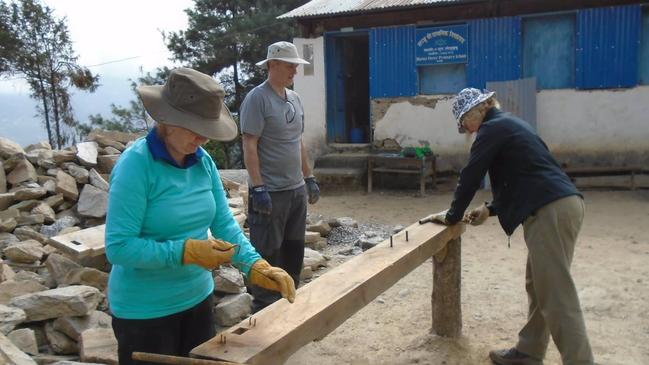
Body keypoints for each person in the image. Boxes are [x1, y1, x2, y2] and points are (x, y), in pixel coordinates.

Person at [105, 67, 296, 365]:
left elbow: (223, 224)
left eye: (206, 131)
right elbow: (119, 247)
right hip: (145, 314)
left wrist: (255, 265)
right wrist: (187, 251)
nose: (203, 139)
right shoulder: (135, 167)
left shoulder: (201, 161)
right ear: (167, 121)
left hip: (197, 301)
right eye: (194, 129)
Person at [433, 88, 594, 365]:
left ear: (476, 112)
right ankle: (529, 351)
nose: (466, 131)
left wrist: (452, 215)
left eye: (463, 124)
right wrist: (490, 209)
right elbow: (524, 176)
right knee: (538, 285)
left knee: (556, 294)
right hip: (558, 204)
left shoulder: (492, 129)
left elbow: (471, 175)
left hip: (549, 209)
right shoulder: (509, 124)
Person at [240, 41, 320, 312]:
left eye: (296, 66)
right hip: (270, 192)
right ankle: (263, 308)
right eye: (289, 65)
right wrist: (258, 187)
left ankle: (288, 303)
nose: (294, 71)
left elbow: (297, 141)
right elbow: (250, 144)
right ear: (272, 65)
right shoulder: (257, 99)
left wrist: (308, 177)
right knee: (267, 251)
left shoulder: (294, 99)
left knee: (293, 249)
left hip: (295, 189)